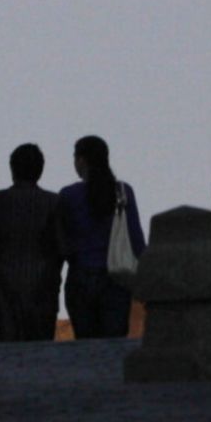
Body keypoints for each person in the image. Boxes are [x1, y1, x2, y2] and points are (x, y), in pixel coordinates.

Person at [0, 143, 68, 343]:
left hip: (3, 290)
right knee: (40, 348)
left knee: (9, 344)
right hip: (43, 288)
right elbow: (62, 248)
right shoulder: (54, 202)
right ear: (40, 170)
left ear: (12, 169)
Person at [58, 136, 145, 338]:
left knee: (86, 345)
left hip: (80, 277)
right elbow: (137, 241)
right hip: (117, 279)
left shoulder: (68, 195)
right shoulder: (123, 191)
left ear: (81, 160)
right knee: (114, 346)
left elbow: (61, 242)